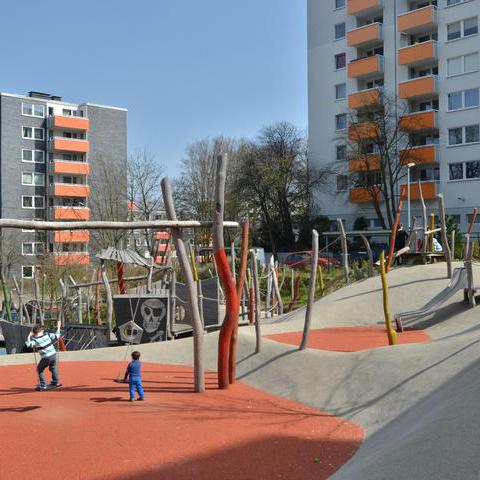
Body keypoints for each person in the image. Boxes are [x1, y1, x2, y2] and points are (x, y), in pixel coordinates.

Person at [26, 320, 62, 391]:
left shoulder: (35, 340)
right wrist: (58, 327)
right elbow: (57, 336)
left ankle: (43, 385)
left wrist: (29, 336)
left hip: (46, 357)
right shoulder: (47, 335)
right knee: (53, 367)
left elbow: (28, 344)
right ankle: (56, 382)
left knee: (39, 369)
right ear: (41, 331)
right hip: (53, 354)